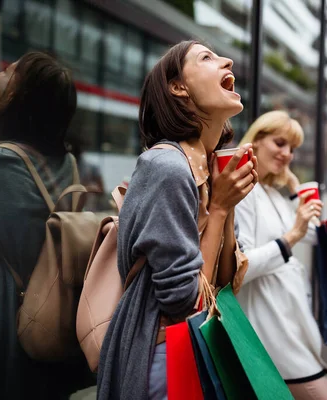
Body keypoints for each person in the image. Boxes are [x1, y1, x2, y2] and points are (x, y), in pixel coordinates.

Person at [96, 40, 257, 399]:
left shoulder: (209, 166)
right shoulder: (167, 167)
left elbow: (226, 283)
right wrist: (218, 209)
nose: (226, 60)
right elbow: (184, 300)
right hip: (164, 353)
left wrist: (225, 202)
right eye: (207, 57)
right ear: (178, 87)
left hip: (196, 342)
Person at [0, 51, 92, 400]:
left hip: (4, 334)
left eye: (9, 71)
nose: (0, 74)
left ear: (15, 96)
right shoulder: (68, 164)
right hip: (56, 328)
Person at [234, 110, 327, 399]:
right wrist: (292, 236)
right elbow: (241, 267)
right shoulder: (244, 193)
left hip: (289, 322)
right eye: (280, 143)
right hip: (269, 325)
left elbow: (315, 236)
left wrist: (295, 188)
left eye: (292, 148)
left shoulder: (271, 192)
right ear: (255, 141)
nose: (287, 154)